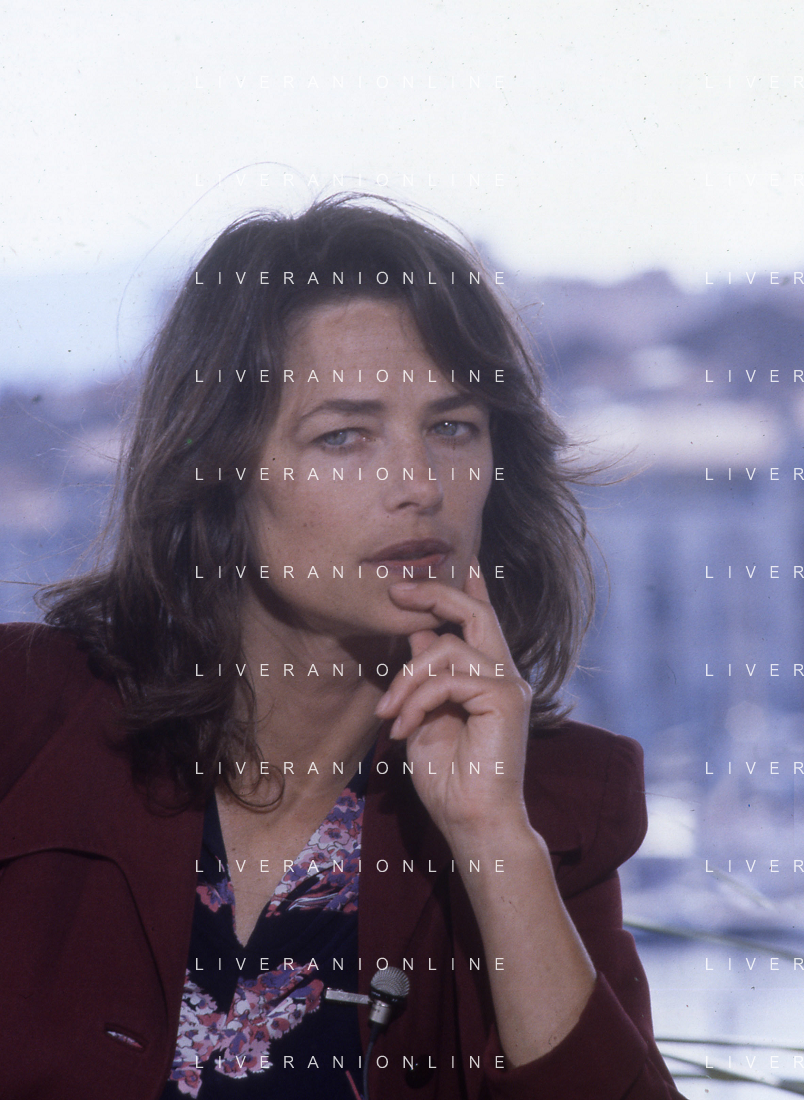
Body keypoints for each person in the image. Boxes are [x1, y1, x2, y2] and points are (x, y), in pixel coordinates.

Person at [0, 195, 684, 1099]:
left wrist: (492, 839)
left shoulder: (551, 800)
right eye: (345, 436)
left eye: (452, 426)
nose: (419, 484)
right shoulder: (25, 717)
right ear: (221, 474)